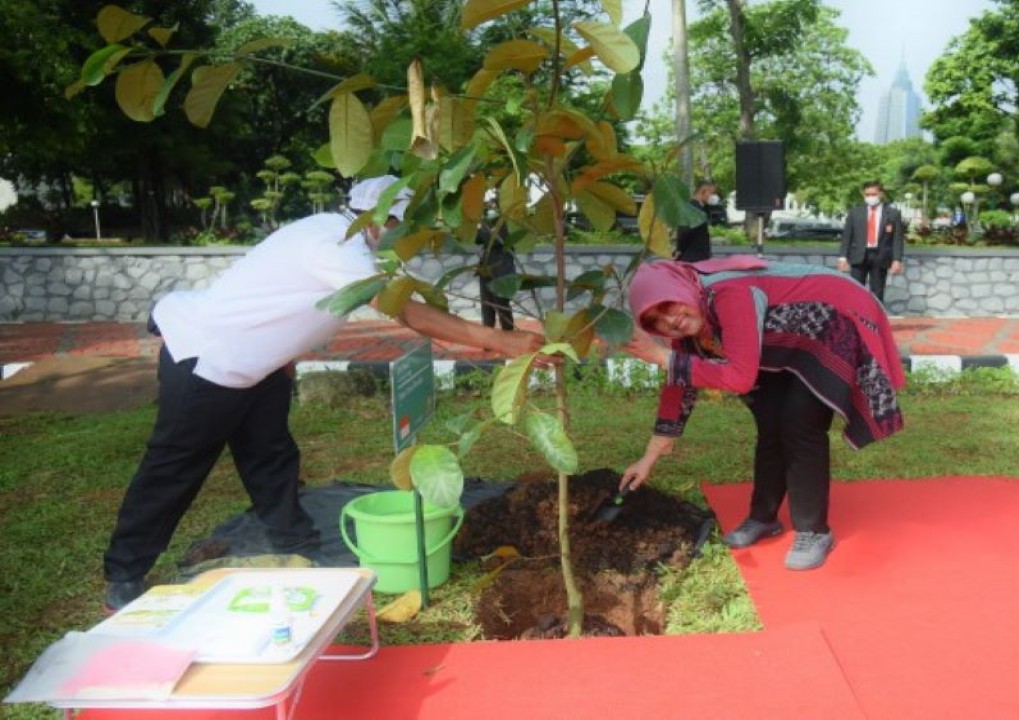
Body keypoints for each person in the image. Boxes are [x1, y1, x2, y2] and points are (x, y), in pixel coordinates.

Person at [102, 176, 543, 611]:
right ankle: (124, 572)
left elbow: (283, 299)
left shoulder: (341, 239)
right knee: (175, 467)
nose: (406, 235)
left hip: (261, 364)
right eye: (402, 223)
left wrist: (284, 358)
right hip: (209, 359)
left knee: (271, 456)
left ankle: (296, 544)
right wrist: (501, 341)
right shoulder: (334, 246)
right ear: (380, 216)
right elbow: (405, 310)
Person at [621, 257, 905, 571]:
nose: (671, 320)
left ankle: (813, 531)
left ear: (680, 289)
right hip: (786, 338)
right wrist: (648, 457)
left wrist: (663, 356)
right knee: (769, 420)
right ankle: (763, 517)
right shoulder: (690, 321)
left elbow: (739, 377)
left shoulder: (731, 292)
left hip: (834, 317)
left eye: (668, 305)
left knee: (799, 422)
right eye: (657, 320)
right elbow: (679, 386)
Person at [837, 180, 904, 303]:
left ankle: (875, 320)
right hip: (858, 256)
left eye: (873, 194)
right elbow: (847, 236)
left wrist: (897, 259)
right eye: (867, 195)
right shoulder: (855, 213)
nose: (870, 197)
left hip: (880, 256)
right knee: (856, 290)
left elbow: (897, 239)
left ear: (881, 194)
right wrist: (842, 257)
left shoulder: (893, 214)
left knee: (877, 292)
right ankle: (857, 320)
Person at [475, 212, 516, 331]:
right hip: (485, 270)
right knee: (487, 306)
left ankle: (509, 336)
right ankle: (488, 338)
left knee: (502, 305)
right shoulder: (486, 221)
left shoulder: (505, 223)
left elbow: (495, 240)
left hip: (501, 272)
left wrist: (482, 229)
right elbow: (476, 239)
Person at [674, 180, 719, 263]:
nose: (713, 196)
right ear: (703, 191)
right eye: (712, 193)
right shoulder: (690, 209)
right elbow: (683, 232)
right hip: (691, 258)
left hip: (700, 257)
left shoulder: (703, 209)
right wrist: (679, 249)